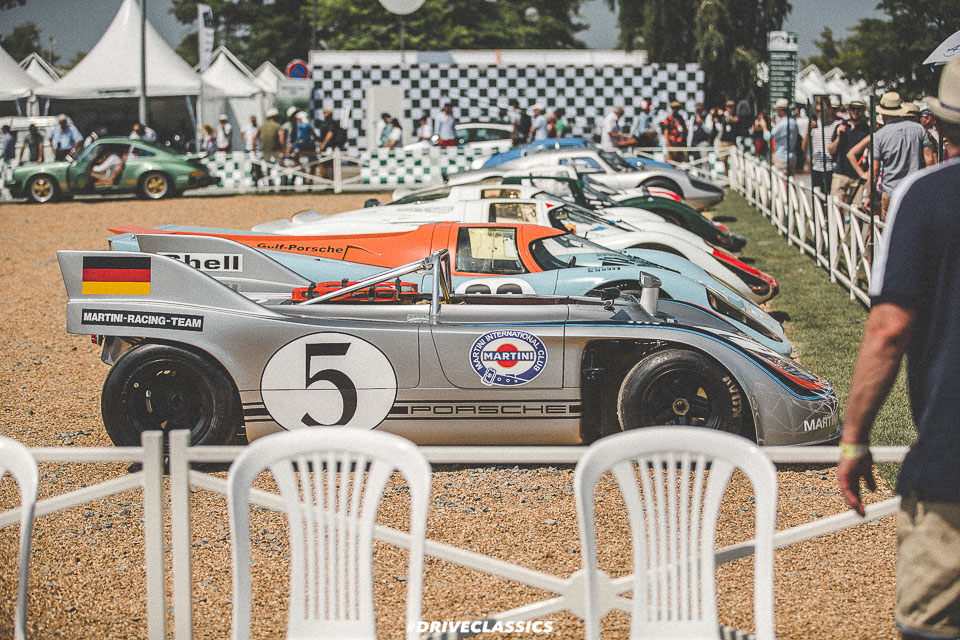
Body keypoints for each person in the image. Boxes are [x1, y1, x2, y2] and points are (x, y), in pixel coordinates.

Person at [838, 57, 960, 640]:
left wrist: (855, 437)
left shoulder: (929, 199)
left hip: (951, 465)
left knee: (930, 626)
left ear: (942, 125)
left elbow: (888, 329)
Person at [847, 92, 934, 220]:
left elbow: (875, 171)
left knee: (890, 230)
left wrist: (869, 197)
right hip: (914, 190)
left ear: (883, 114)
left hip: (890, 191)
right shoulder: (918, 129)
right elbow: (930, 160)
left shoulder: (879, 136)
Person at [828, 99, 870, 207]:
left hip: (858, 176)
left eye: (859, 109)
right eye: (853, 109)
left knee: (858, 211)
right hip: (840, 173)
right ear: (849, 110)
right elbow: (831, 150)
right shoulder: (841, 127)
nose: (856, 112)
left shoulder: (867, 130)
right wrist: (839, 136)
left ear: (863, 111)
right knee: (836, 207)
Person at [803, 97, 841, 195]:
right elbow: (804, 147)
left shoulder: (837, 125)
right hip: (817, 168)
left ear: (830, 109)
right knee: (818, 198)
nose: (820, 113)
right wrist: (809, 131)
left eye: (822, 111)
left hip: (831, 168)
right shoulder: (814, 125)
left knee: (830, 198)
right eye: (818, 111)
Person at [253, 107, 283, 185]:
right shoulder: (277, 125)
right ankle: (283, 183)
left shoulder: (262, 126)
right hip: (276, 149)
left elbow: (254, 137)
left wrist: (254, 149)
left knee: (268, 167)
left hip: (265, 150)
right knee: (281, 166)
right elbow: (281, 137)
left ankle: (269, 184)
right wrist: (283, 148)